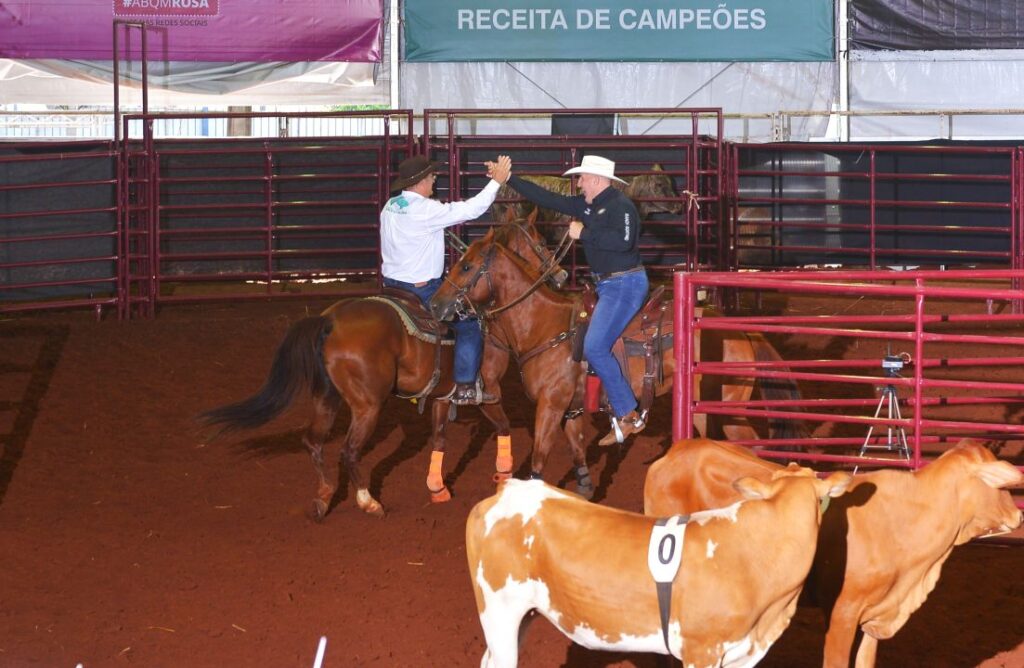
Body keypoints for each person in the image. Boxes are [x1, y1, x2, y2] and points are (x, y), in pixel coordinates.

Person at [502, 155, 648, 445]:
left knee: (594, 346)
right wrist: (509, 179)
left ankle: (629, 413)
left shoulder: (623, 207)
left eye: (581, 178)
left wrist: (585, 233)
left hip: (624, 284)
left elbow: (624, 243)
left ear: (595, 179)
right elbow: (546, 198)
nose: (578, 184)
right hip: (608, 284)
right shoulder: (587, 204)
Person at [380, 154, 512, 405]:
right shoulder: (426, 210)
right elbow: (472, 209)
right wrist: (497, 181)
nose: (434, 181)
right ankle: (464, 386)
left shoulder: (390, 206)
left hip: (391, 287)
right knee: (470, 323)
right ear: (419, 182)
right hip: (422, 290)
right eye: (431, 177)